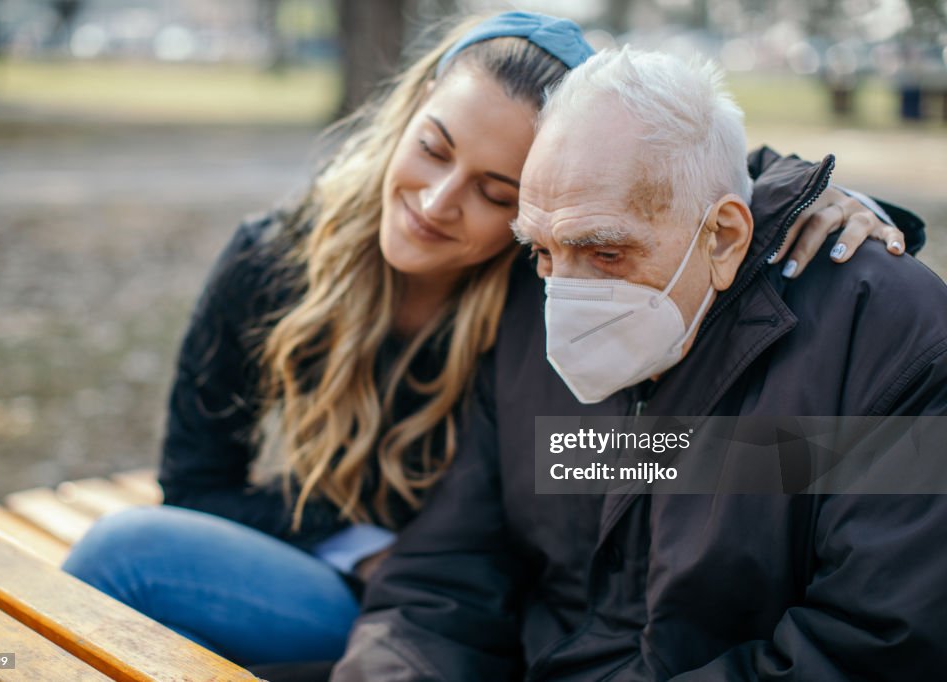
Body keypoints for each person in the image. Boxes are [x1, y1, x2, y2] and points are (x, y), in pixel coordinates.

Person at [63, 14, 910, 671]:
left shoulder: (546, 292)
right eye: (433, 148)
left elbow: (688, 174)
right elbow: (198, 479)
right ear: (408, 113)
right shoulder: (273, 263)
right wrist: (357, 540)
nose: (436, 203)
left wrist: (830, 199)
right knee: (125, 552)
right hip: (384, 575)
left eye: (497, 192)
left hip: (465, 598)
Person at [333, 48, 947, 680]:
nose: (564, 298)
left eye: (602, 253)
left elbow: (879, 646)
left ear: (724, 238)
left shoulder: (884, 343)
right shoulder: (522, 319)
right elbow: (446, 575)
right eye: (542, 250)